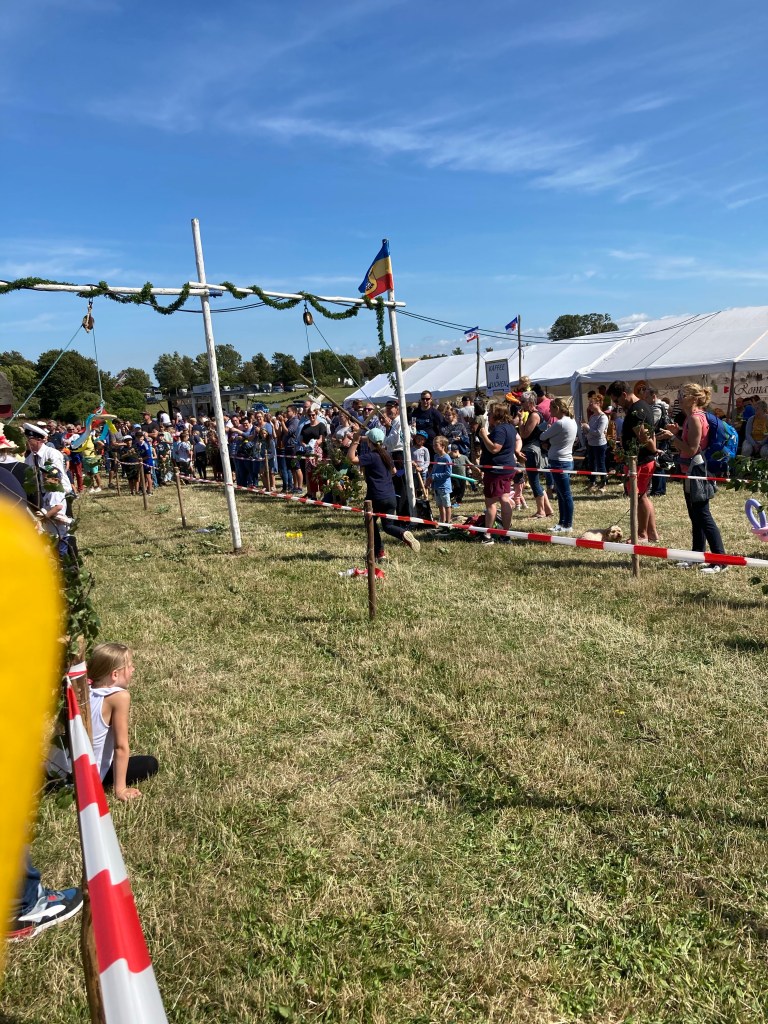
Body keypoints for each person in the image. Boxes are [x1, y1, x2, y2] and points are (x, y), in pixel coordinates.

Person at [659, 383, 727, 573]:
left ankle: (720, 561)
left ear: (693, 399)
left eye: (683, 395)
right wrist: (678, 433)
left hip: (696, 471)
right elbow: (689, 444)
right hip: (690, 470)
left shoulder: (696, 419)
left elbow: (691, 449)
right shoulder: (691, 418)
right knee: (695, 516)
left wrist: (672, 437)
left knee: (703, 516)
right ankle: (697, 556)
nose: (679, 398)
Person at [88, 643, 158, 800]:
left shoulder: (81, 687)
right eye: (129, 666)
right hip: (87, 776)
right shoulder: (119, 697)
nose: (133, 669)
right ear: (114, 674)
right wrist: (120, 789)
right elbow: (120, 747)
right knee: (150, 764)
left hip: (61, 771)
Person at [347, 427, 420, 560]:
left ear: (370, 442)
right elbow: (394, 472)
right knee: (388, 526)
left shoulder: (372, 456)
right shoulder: (386, 455)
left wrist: (355, 441)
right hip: (390, 496)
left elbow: (351, 458)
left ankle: (379, 552)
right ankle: (403, 533)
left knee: (370, 524)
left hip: (375, 497)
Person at [606, 380, 659, 543]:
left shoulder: (636, 411)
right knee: (643, 496)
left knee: (639, 497)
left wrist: (653, 449)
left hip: (640, 461)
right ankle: (652, 534)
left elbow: (644, 437)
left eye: (616, 400)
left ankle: (642, 534)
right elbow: (651, 434)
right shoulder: (643, 406)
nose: (617, 404)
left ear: (624, 394)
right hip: (641, 459)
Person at [476, 401, 520, 546]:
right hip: (506, 468)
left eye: (490, 413)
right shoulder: (510, 427)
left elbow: (495, 448)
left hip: (497, 471)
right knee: (504, 499)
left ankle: (488, 535)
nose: (488, 415)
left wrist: (484, 436)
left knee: (491, 502)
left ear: (497, 415)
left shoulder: (500, 429)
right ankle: (505, 535)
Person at [540, 399, 578, 534]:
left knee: (565, 494)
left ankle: (567, 524)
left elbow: (543, 436)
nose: (549, 411)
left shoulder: (560, 423)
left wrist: (548, 430)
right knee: (562, 494)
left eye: (551, 408)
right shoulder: (571, 421)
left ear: (557, 408)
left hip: (559, 461)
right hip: (566, 460)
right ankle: (562, 523)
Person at [518, 392, 553, 520]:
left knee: (534, 481)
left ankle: (540, 511)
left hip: (532, 451)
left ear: (530, 403)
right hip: (533, 449)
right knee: (535, 480)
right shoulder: (534, 414)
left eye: (523, 401)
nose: (520, 404)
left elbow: (524, 434)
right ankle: (548, 509)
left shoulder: (534, 415)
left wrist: (520, 421)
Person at [581, 395, 608, 493]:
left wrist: (587, 428)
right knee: (591, 464)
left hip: (600, 444)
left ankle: (603, 484)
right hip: (591, 443)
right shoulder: (592, 416)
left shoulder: (603, 417)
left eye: (591, 403)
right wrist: (584, 429)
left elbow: (599, 432)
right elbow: (591, 431)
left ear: (598, 403)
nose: (589, 405)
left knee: (601, 464)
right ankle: (592, 482)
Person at [427, 435, 453, 529]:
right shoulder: (436, 457)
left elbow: (448, 473)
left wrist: (434, 477)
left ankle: (448, 522)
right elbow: (434, 469)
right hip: (436, 486)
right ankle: (442, 521)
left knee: (447, 505)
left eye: (436, 445)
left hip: (444, 486)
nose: (433, 447)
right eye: (433, 445)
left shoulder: (447, 458)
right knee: (439, 505)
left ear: (443, 446)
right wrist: (429, 478)